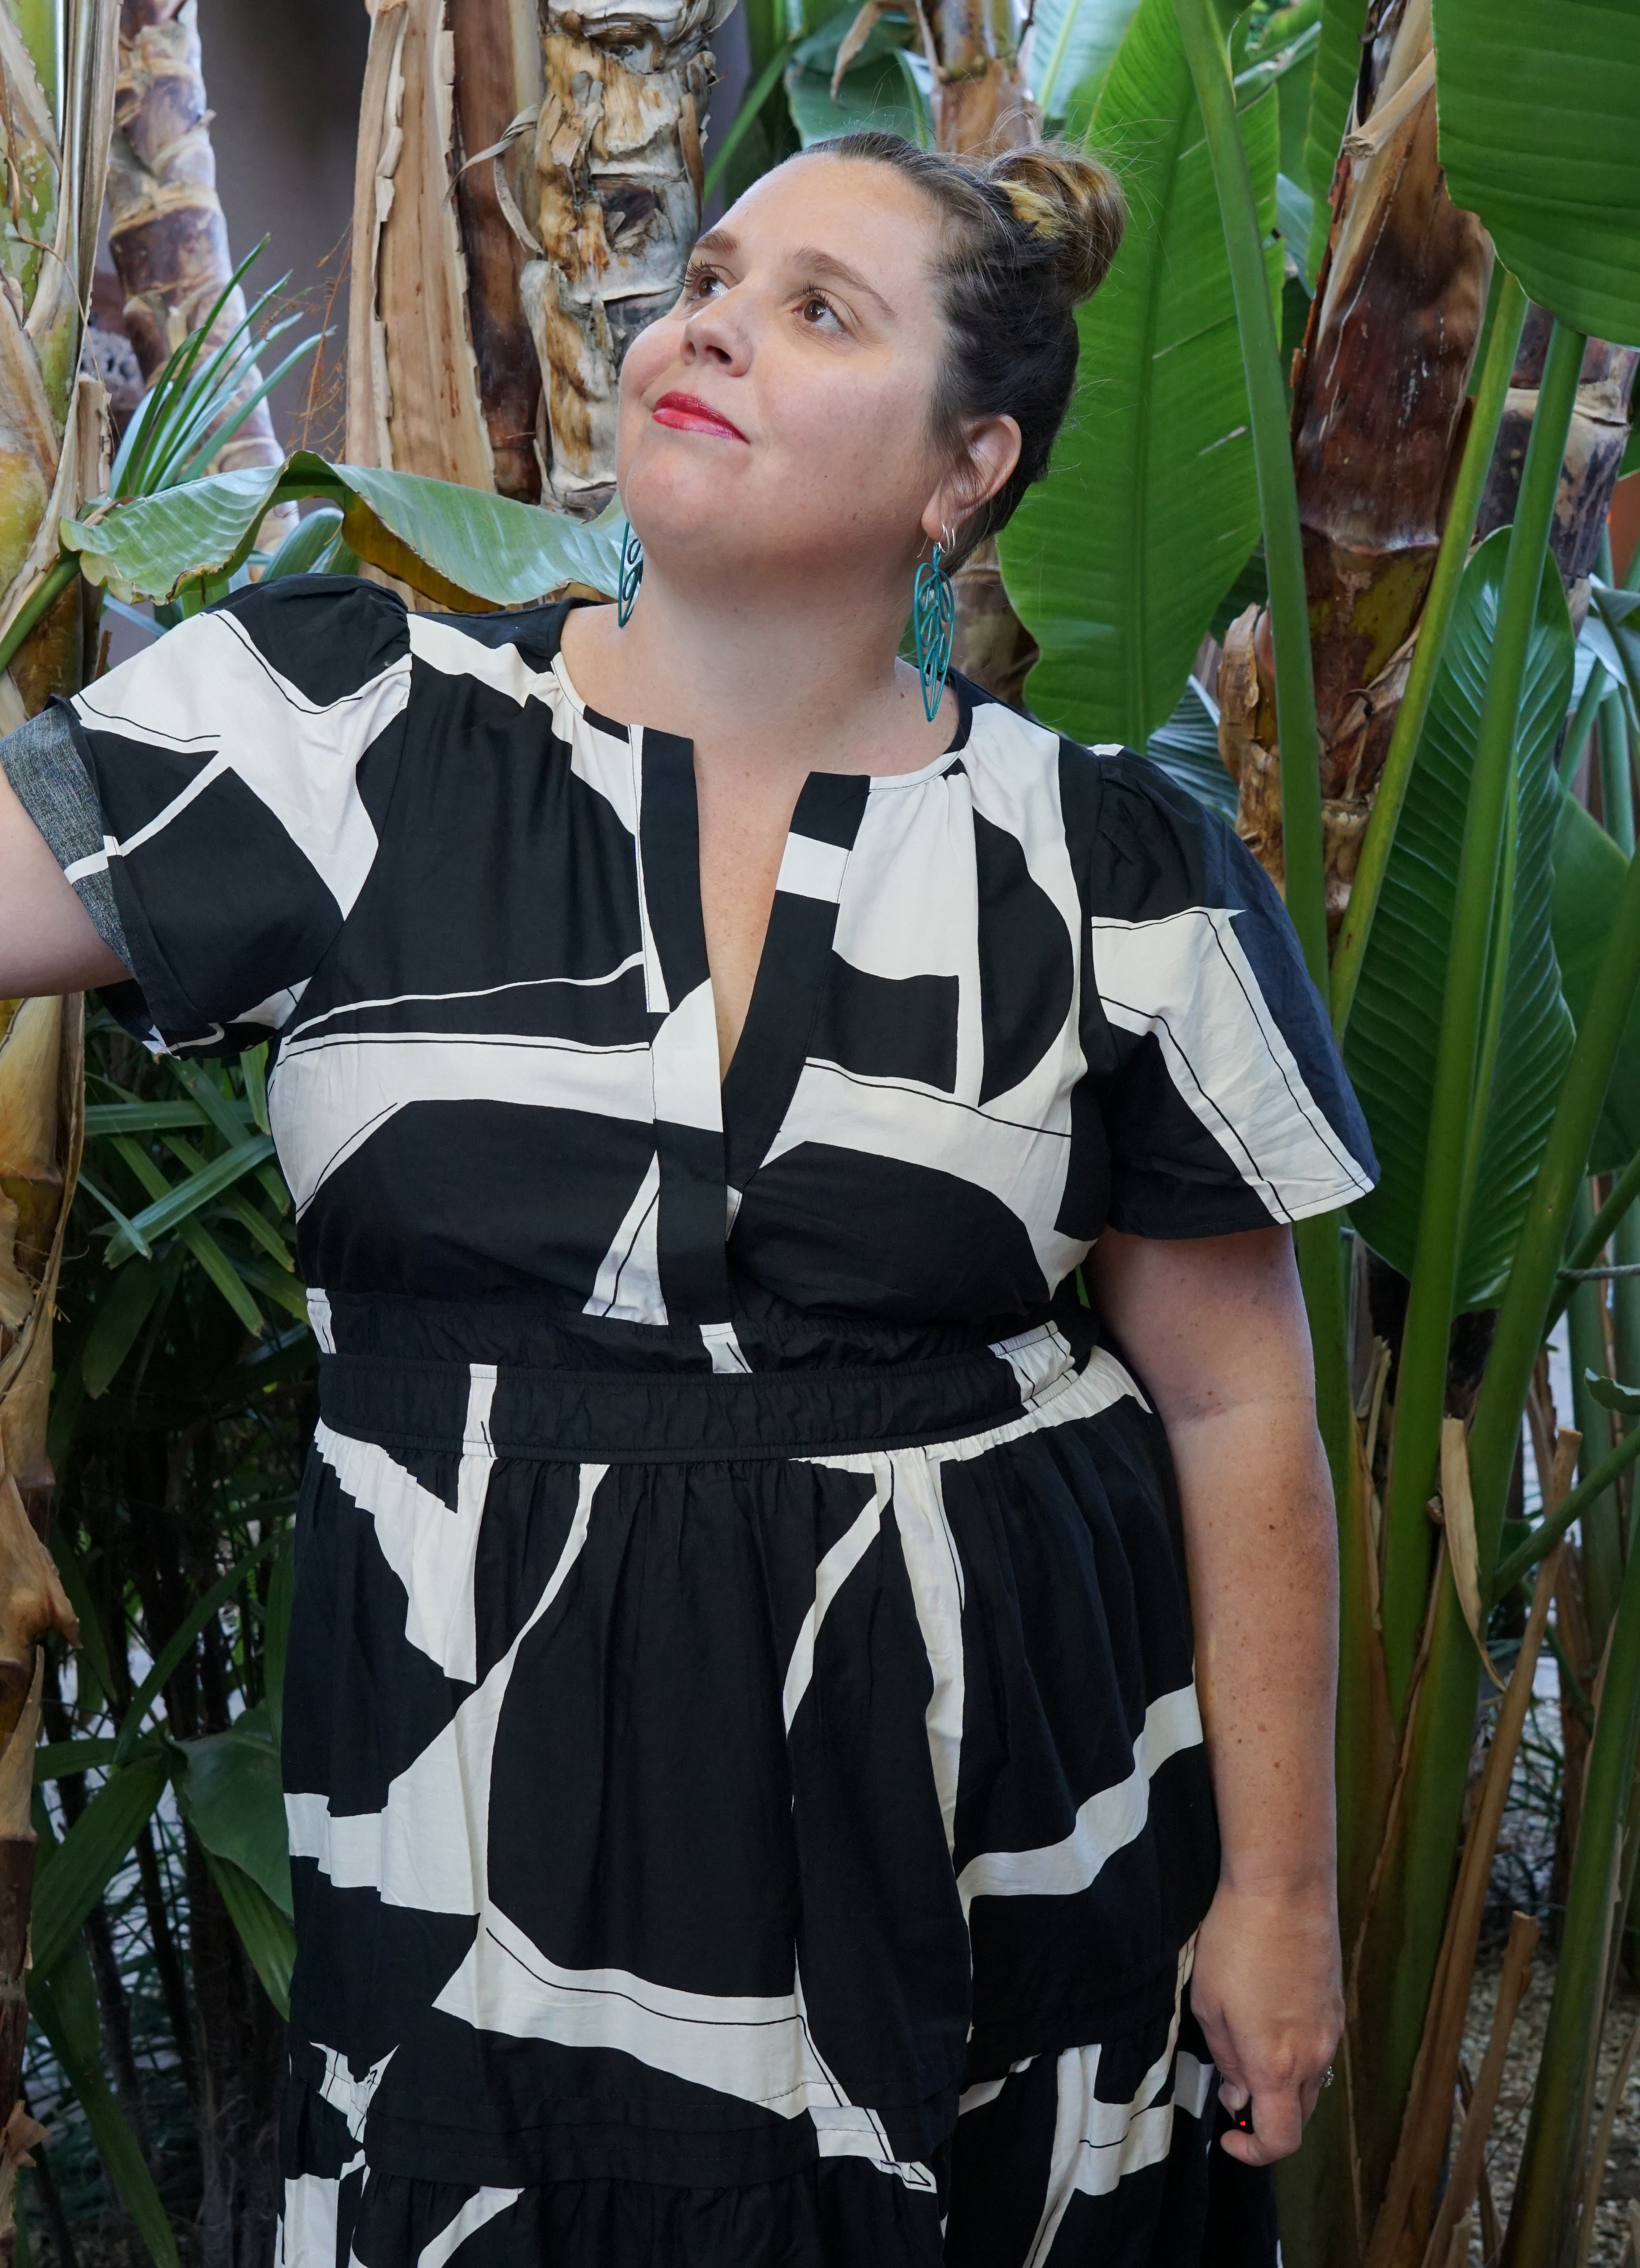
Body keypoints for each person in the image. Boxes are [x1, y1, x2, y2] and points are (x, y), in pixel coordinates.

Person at [0, 130, 1375, 2268]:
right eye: (715, 275)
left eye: (824, 310)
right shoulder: (344, 728)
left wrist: (1280, 1900)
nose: (714, 318)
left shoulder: (1117, 874)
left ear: (967, 468)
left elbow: (1236, 1408)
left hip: (988, 1838)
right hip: (479, 1828)